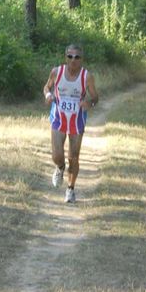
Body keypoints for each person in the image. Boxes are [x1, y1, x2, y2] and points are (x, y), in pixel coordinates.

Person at [43, 44, 98, 203]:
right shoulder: (56, 72)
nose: (73, 60)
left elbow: (95, 97)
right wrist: (48, 95)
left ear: (82, 59)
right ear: (65, 57)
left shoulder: (87, 76)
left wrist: (90, 103)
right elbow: (47, 87)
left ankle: (70, 189)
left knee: (73, 157)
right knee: (57, 155)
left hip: (77, 120)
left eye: (77, 57)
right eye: (70, 56)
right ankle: (60, 168)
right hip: (58, 117)